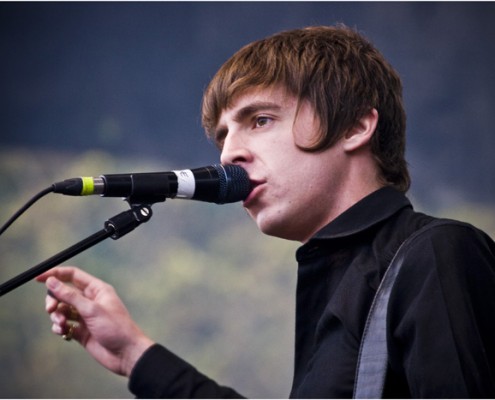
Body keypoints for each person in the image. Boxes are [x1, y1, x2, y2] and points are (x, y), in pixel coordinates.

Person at [36, 25, 495, 398]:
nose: (229, 154)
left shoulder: (436, 254)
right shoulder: (338, 280)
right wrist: (135, 355)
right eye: (222, 137)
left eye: (260, 120)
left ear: (356, 125)